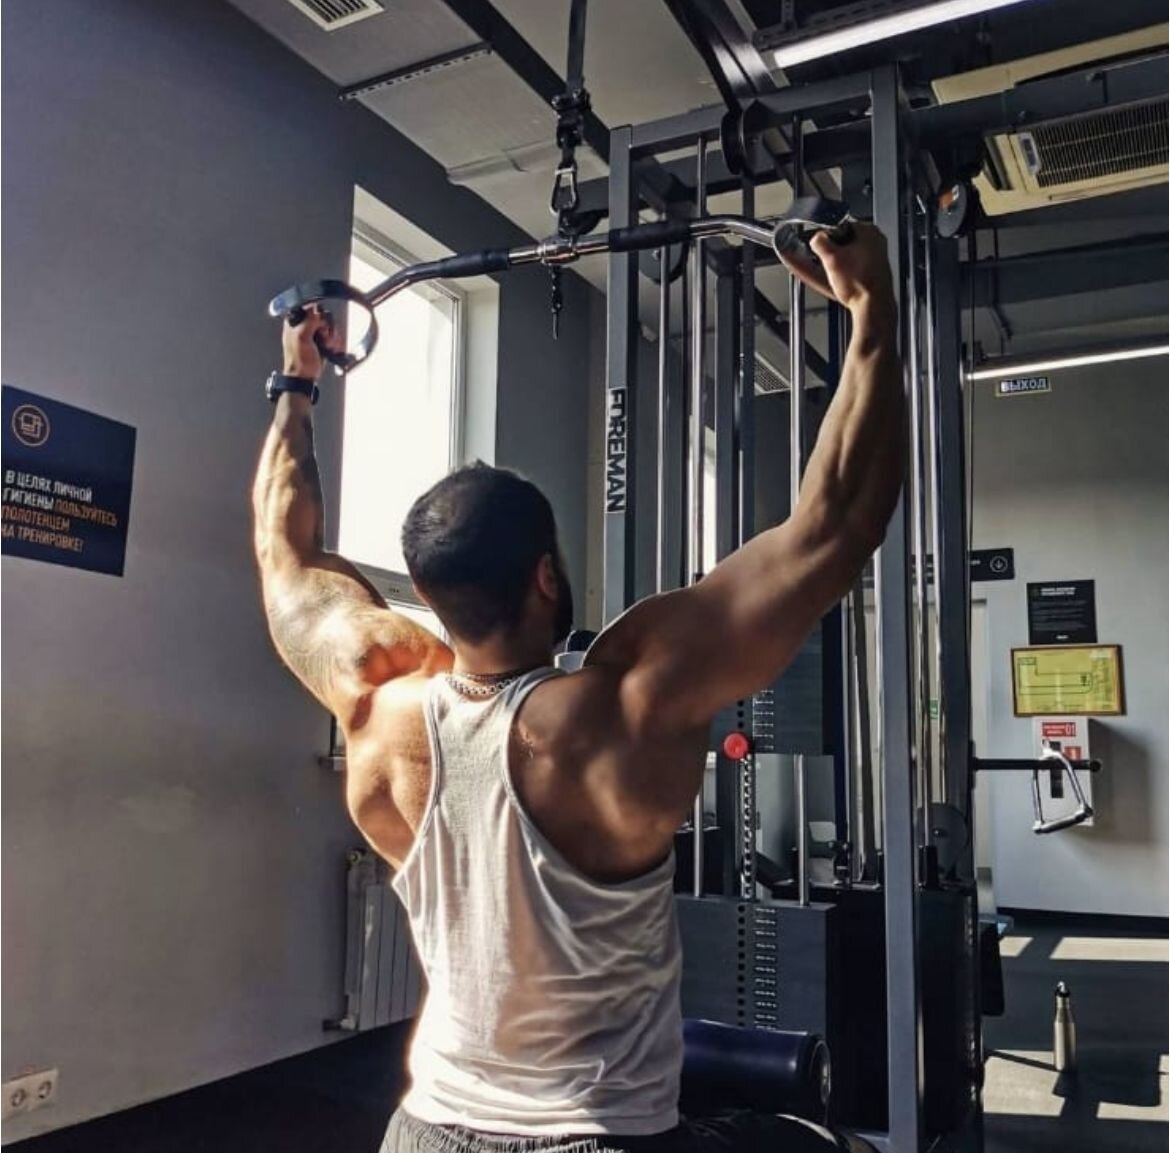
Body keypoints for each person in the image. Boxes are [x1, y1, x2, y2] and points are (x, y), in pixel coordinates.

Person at [252, 224, 903, 1153]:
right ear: (546, 575)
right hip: (602, 1137)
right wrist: (871, 308)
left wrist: (297, 382)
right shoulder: (627, 707)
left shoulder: (375, 702)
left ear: (430, 591)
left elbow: (286, 558)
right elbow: (834, 526)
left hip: (426, 1131)